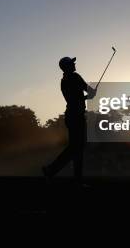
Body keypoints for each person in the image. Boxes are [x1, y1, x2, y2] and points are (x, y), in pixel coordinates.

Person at [42, 56, 96, 184]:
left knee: (76, 147)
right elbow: (86, 92)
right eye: (72, 63)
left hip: (71, 116)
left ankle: (56, 171)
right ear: (67, 67)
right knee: (76, 147)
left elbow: (76, 98)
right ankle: (51, 169)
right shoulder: (75, 77)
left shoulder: (64, 81)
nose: (74, 64)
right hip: (76, 116)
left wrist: (87, 96)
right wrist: (90, 95)